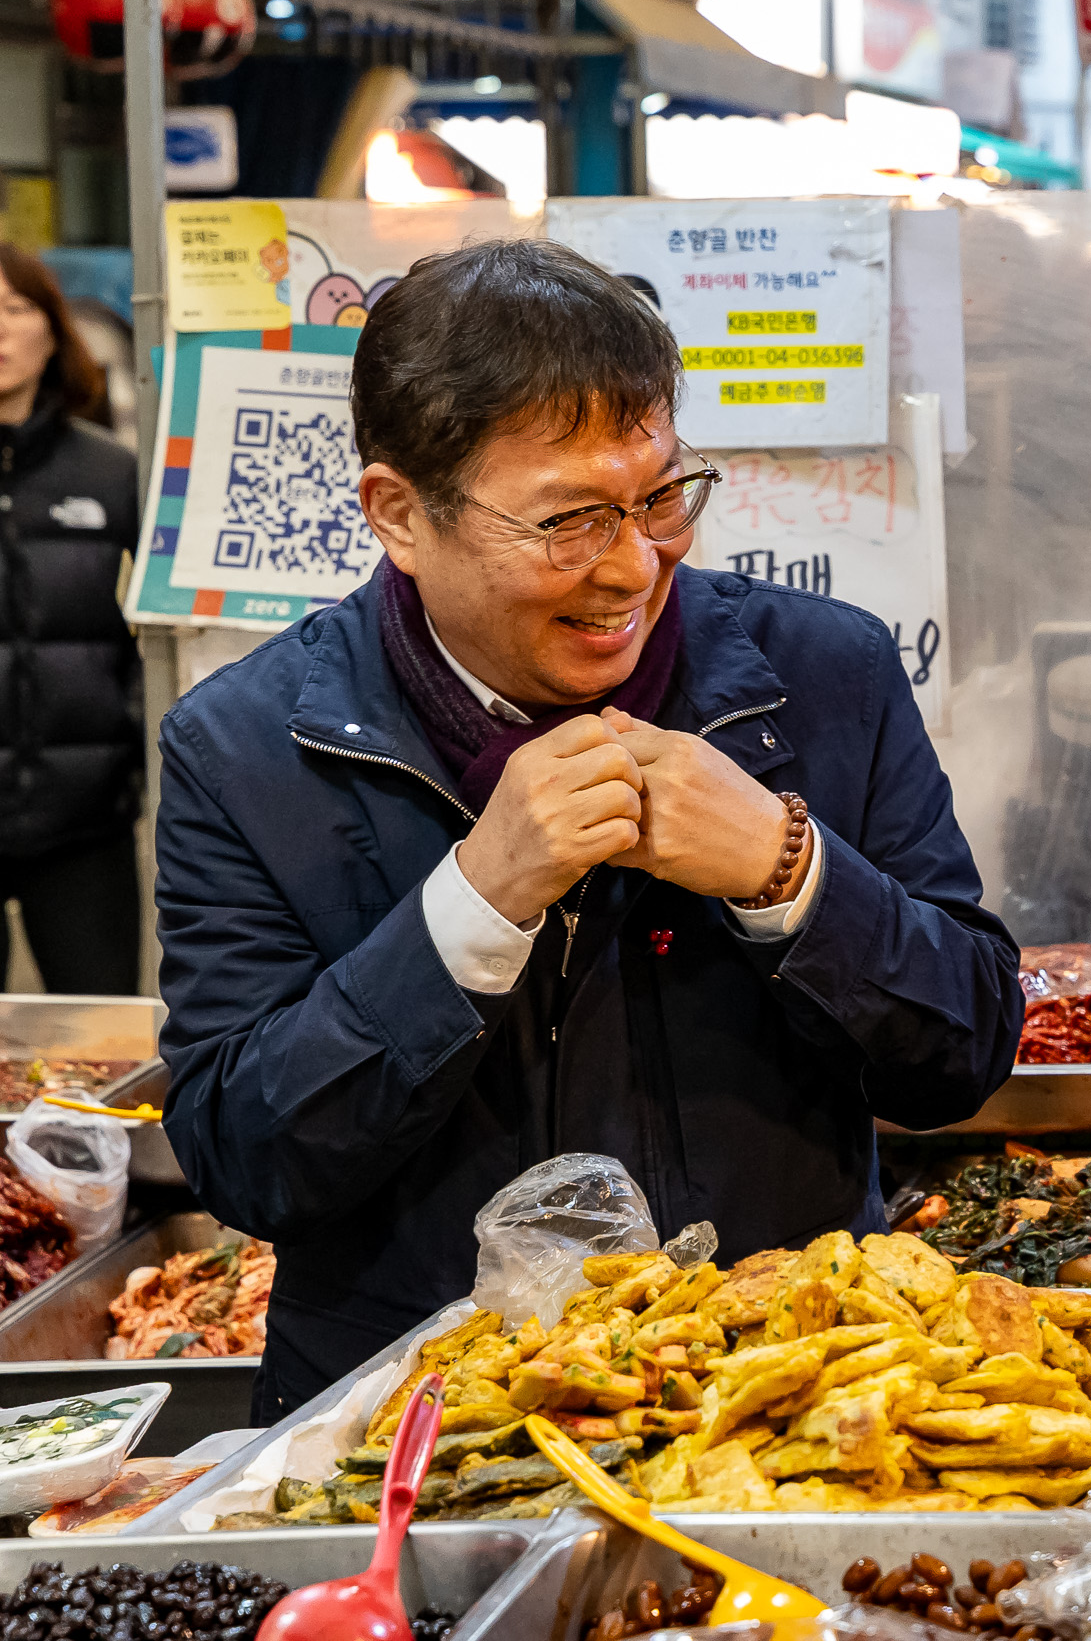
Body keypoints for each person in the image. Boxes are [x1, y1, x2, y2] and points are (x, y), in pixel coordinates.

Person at [155, 240, 1023, 1418]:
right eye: (569, 520)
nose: (630, 566)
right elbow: (243, 1155)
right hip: (410, 1429)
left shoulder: (826, 674)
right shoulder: (247, 745)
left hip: (786, 1401)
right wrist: (473, 904)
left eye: (660, 496)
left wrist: (787, 869)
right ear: (399, 514)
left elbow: (963, 1052)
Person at [0, 245, 141, 994]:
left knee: (101, 1035)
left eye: (16, 309)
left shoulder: (110, 473)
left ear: (53, 331)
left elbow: (149, 634)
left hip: (86, 820)